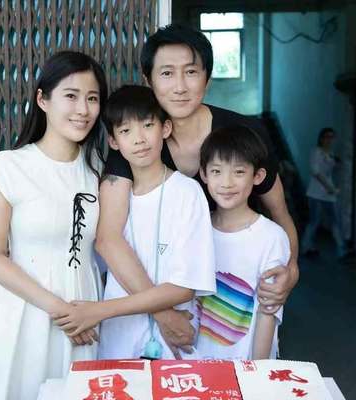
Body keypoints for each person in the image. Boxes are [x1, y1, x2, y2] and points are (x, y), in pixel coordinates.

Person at [96, 24, 299, 358]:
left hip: (239, 293)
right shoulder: (140, 142)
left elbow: (280, 213)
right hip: (179, 302)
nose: (180, 86)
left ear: (207, 77)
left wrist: (292, 269)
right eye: (167, 73)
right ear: (148, 80)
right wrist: (165, 315)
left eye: (191, 72)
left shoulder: (244, 132)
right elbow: (108, 238)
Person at [0, 51, 107, 400]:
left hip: (85, 312)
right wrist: (59, 309)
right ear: (43, 99)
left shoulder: (98, 170)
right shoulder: (10, 166)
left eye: (92, 98)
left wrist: (84, 313)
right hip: (27, 313)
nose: (83, 109)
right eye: (71, 96)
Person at [53, 85, 215, 359]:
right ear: (114, 141)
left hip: (173, 344)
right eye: (126, 131)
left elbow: (184, 287)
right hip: (118, 340)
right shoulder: (109, 197)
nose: (139, 139)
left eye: (148, 126)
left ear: (165, 128)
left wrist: (98, 311)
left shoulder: (187, 192)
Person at [195, 125, 290, 360]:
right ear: (204, 174)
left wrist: (256, 372)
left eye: (238, 172)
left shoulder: (272, 237)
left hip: (247, 366)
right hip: (195, 364)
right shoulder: (195, 228)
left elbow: (268, 311)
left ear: (258, 176)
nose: (226, 183)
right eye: (216, 171)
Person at [301, 127, 347, 258]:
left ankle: (341, 249)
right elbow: (316, 172)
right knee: (314, 221)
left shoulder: (330, 153)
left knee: (335, 221)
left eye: (331, 137)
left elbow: (331, 169)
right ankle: (306, 247)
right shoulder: (316, 152)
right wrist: (329, 187)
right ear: (321, 138)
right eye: (326, 137)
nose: (329, 140)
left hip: (328, 194)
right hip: (316, 193)